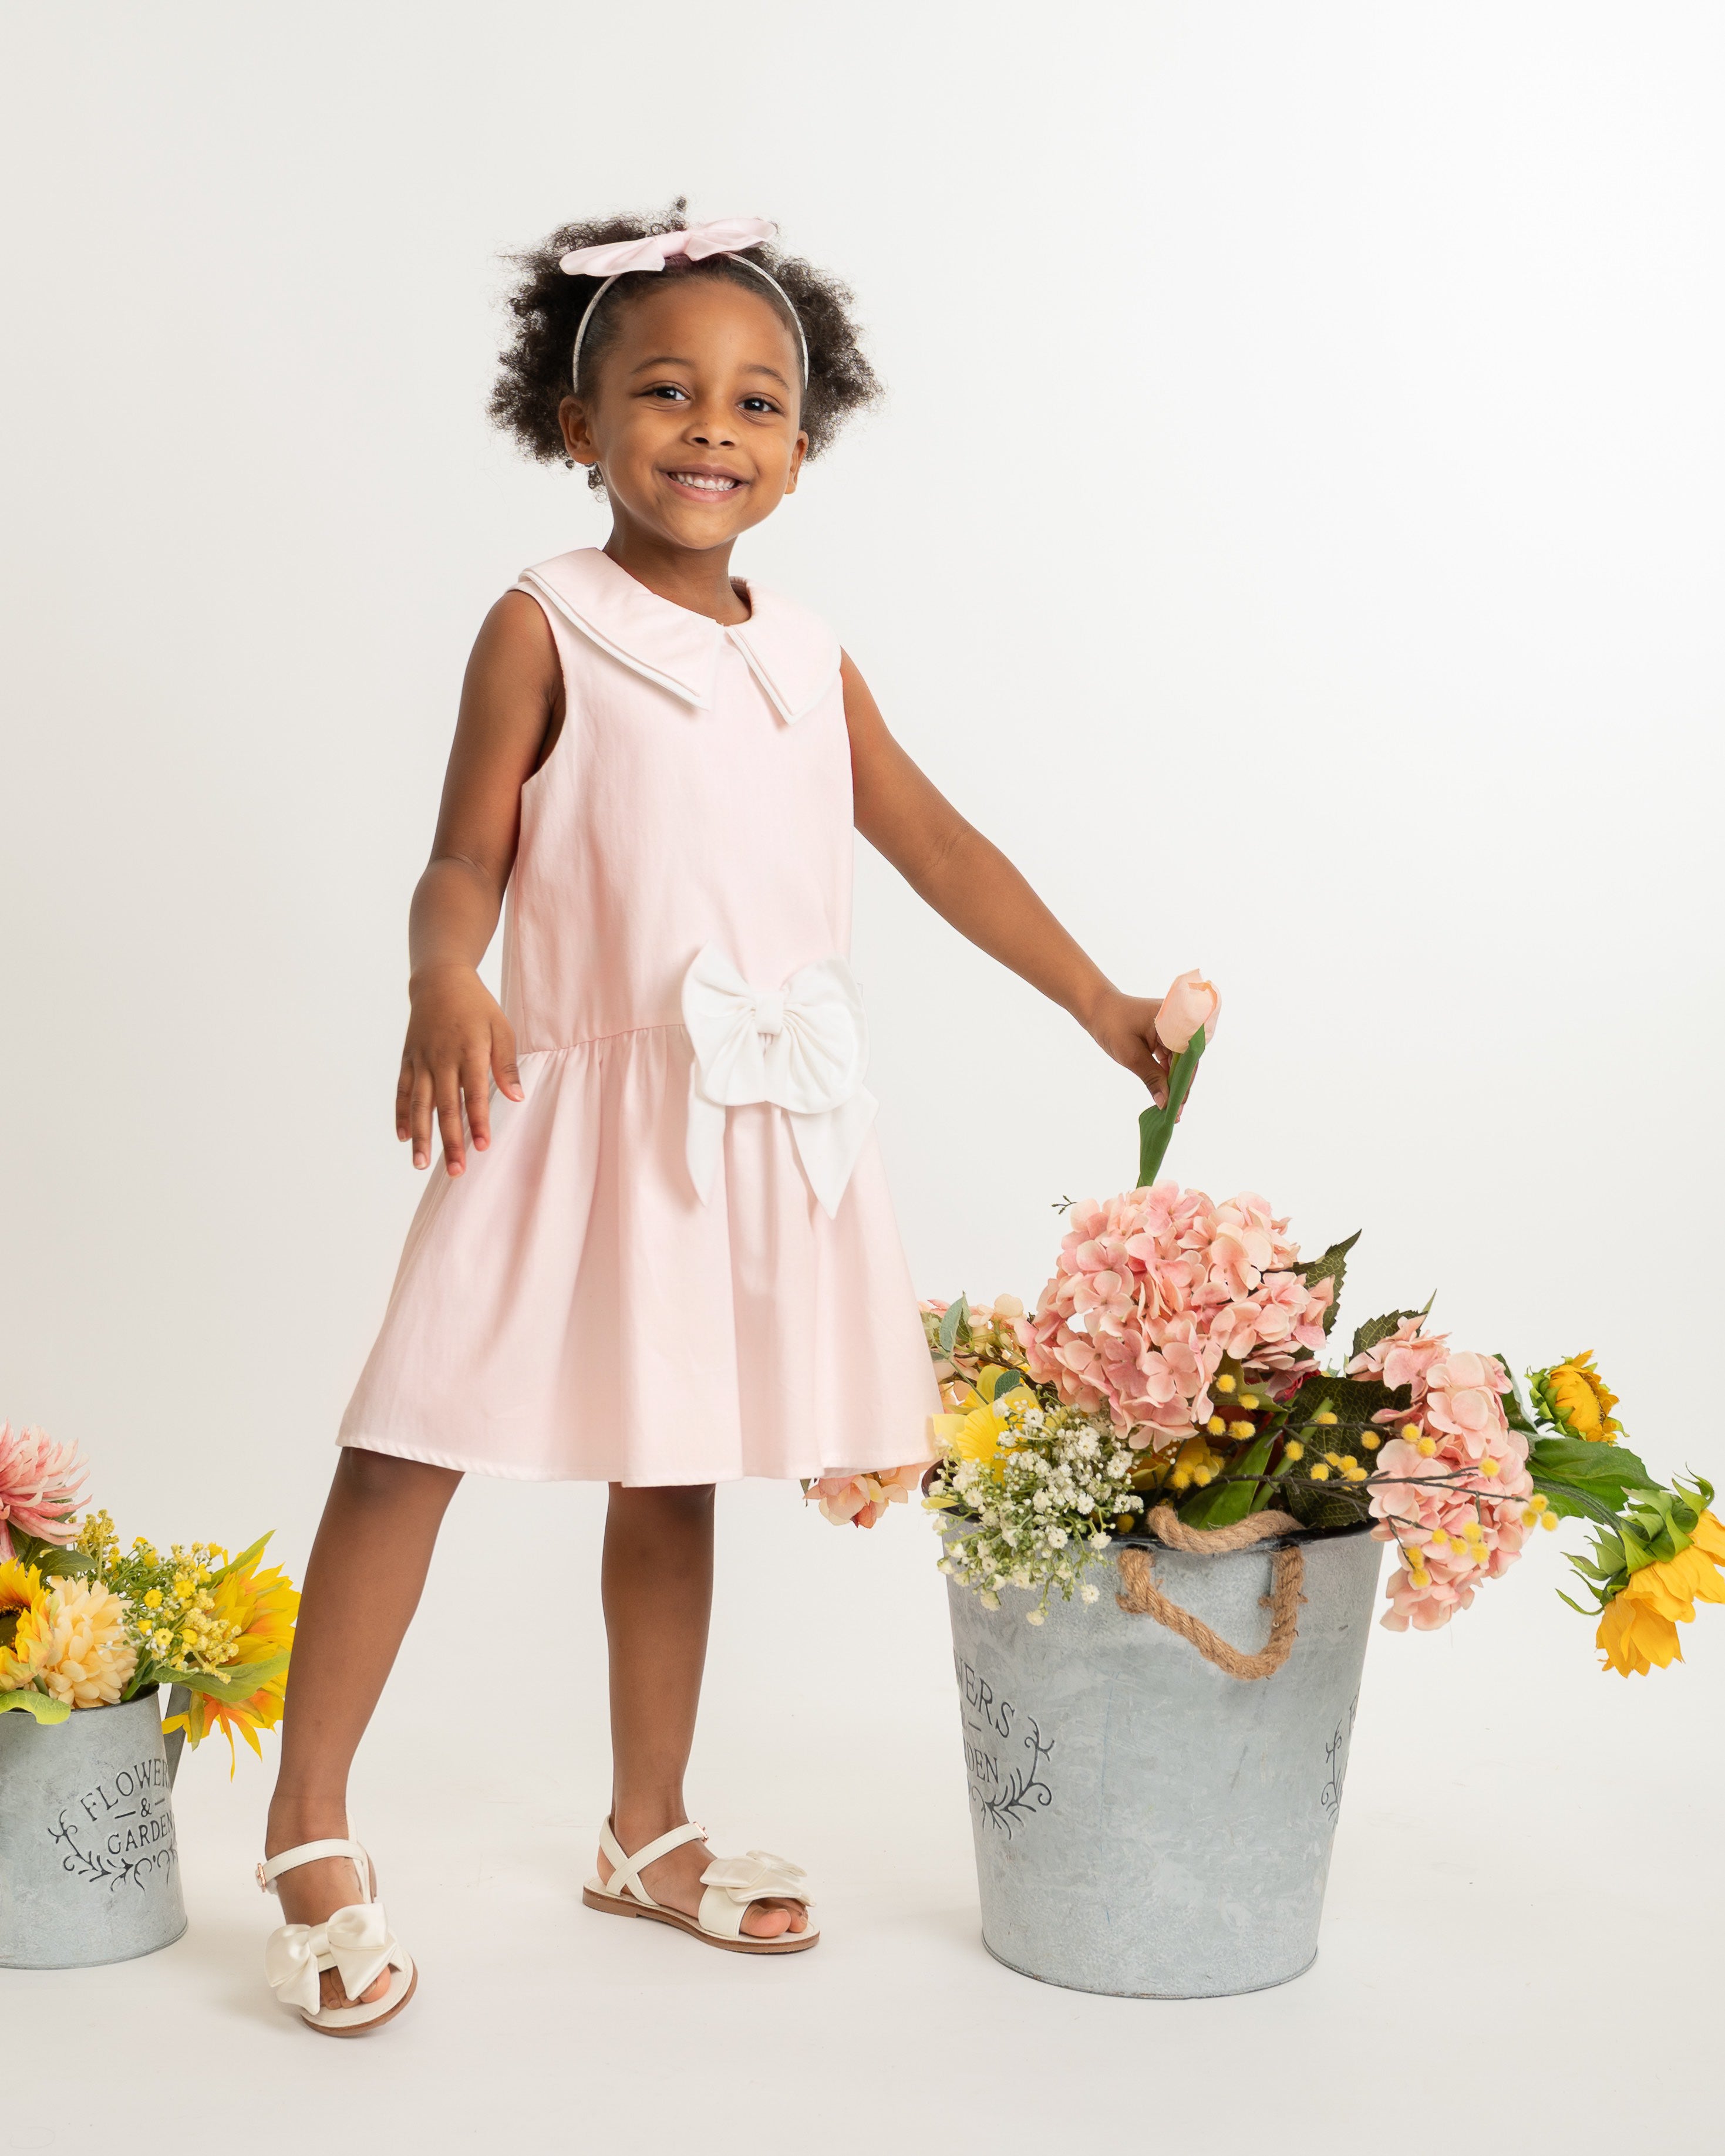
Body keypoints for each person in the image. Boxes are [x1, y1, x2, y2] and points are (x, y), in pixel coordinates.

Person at [258, 204, 1185, 2034]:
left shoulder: (807, 652)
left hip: (749, 1115)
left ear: (803, 447)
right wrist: (448, 978)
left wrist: (1104, 1005)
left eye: (755, 400)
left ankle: (645, 1823)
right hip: (563, 1098)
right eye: (664, 389)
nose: (711, 426)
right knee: (407, 1435)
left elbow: (932, 845)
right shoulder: (547, 623)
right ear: (574, 419)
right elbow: (465, 856)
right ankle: (307, 1821)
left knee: (670, 1466)